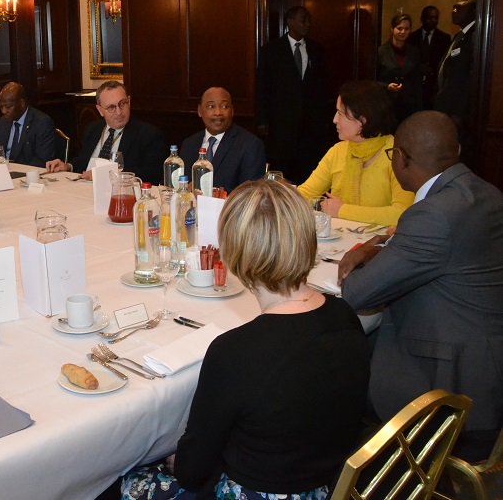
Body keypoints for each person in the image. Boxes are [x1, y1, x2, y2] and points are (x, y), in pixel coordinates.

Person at [121, 180, 369, 499]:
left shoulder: (235, 352)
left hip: (258, 491)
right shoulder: (344, 313)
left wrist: (173, 460)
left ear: (234, 254)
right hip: (327, 484)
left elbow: (192, 470)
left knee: (128, 480)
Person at [337, 110, 503, 462]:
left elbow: (357, 294)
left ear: (399, 157)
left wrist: (361, 254)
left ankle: (353, 471)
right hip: (486, 359)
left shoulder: (433, 214)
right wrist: (384, 247)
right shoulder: (485, 192)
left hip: (452, 385)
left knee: (335, 369)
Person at [298, 80, 414, 226]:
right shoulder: (338, 151)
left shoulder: (396, 153)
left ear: (363, 120)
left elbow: (402, 213)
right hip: (340, 237)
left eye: (340, 113)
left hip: (381, 239)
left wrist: (342, 210)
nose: (334, 120)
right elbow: (305, 194)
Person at [256, 6, 333, 183]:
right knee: (283, 173)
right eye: (303, 20)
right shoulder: (271, 50)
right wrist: (262, 120)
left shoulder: (316, 50)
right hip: (281, 126)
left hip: (311, 128)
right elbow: (262, 87)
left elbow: (323, 87)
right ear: (290, 22)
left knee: (308, 172)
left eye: (309, 20)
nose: (307, 24)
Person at [45, 80, 165, 184]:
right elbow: (84, 160)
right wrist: (68, 166)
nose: (119, 112)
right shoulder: (92, 129)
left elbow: (150, 175)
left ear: (129, 102)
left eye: (122, 104)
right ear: (100, 110)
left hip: (118, 192)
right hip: (84, 187)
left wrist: (101, 175)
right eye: (111, 107)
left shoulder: (148, 135)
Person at [179, 87, 265, 193]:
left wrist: (210, 192)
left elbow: (251, 193)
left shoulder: (250, 145)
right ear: (200, 111)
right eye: (211, 106)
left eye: (224, 106)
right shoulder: (189, 144)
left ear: (232, 111)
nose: (218, 112)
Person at [434, 0, 477, 138]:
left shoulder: (475, 35)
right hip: (447, 105)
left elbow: (468, 79)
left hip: (458, 111)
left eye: (459, 8)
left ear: (473, 10)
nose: (453, 11)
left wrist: (458, 113)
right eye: (453, 8)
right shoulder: (461, 35)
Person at [0, 81, 56, 167]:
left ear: (21, 103)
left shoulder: (42, 122)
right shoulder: (4, 121)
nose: (3, 111)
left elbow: (42, 159)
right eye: (1, 107)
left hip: (28, 172)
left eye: (8, 107)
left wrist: (17, 169)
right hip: (3, 170)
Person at [376, 12, 423, 121]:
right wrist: (387, 86)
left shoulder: (414, 52)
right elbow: (373, 80)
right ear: (392, 29)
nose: (403, 32)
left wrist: (419, 109)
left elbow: (417, 82)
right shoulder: (381, 52)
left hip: (409, 105)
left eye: (406, 29)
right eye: (399, 28)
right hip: (387, 104)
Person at [406, 5, 451, 109]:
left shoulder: (444, 38)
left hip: (434, 87)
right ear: (422, 19)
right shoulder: (411, 37)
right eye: (430, 17)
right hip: (414, 86)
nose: (433, 21)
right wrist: (418, 68)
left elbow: (446, 63)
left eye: (435, 18)